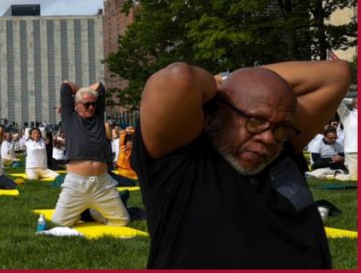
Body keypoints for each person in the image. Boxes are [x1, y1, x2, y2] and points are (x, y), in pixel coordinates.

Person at [131, 60, 351, 268]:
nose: (268, 138)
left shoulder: (280, 144)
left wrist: (241, 84)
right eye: (255, 121)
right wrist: (229, 83)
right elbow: (177, 79)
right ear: (215, 113)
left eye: (281, 128)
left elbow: (337, 75)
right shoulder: (184, 160)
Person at [50, 81, 129, 227]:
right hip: (76, 183)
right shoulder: (69, 116)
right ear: (76, 105)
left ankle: (92, 212)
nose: (91, 107)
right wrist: (82, 93)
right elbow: (65, 85)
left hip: (102, 182)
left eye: (94, 104)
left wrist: (86, 95)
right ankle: (87, 211)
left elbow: (99, 86)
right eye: (87, 104)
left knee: (122, 221)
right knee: (59, 222)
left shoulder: (98, 115)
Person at [337, 97, 357, 181]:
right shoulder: (347, 114)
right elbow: (336, 99)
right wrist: (351, 100)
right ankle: (336, 175)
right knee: (354, 178)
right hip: (353, 152)